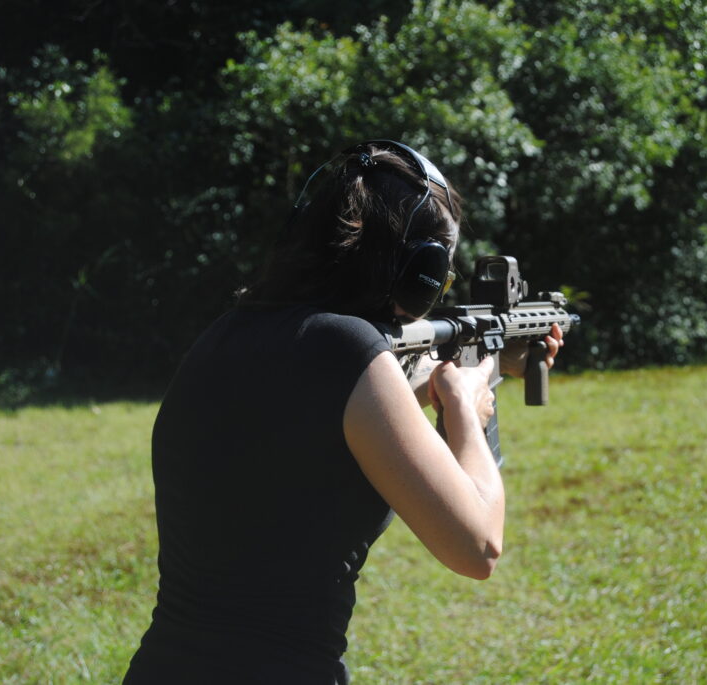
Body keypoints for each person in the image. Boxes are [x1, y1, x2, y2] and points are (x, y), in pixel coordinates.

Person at [122, 140, 562, 684]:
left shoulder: (226, 335)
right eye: (440, 274)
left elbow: (346, 409)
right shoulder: (347, 351)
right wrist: (465, 404)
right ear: (419, 271)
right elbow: (477, 548)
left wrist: (491, 364)